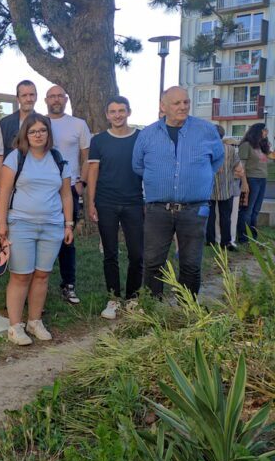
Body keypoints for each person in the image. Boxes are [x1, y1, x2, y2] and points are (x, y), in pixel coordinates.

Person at [133, 86, 224, 297]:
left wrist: (198, 177)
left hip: (194, 210)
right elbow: (138, 165)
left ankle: (187, 313)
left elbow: (217, 159)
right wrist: (159, 177)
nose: (183, 107)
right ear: (163, 106)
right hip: (158, 210)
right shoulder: (147, 134)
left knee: (191, 263)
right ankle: (152, 311)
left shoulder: (206, 131)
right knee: (153, 262)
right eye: (177, 103)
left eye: (186, 102)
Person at [0, 113, 74, 345]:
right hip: (21, 224)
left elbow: (67, 195)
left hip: (52, 226)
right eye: (33, 131)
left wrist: (68, 224)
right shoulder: (15, 158)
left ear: (48, 134)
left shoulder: (59, 160)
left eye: (42, 130)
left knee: (42, 275)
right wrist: (1, 223)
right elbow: (4, 192)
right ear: (25, 135)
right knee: (21, 275)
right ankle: (15, 326)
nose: (38, 135)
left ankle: (35, 321)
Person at [86, 97, 143, 320]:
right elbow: (93, 173)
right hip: (106, 202)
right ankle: (113, 298)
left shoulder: (140, 138)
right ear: (107, 115)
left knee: (137, 254)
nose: (117, 115)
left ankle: (133, 297)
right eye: (113, 111)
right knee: (110, 253)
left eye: (121, 110)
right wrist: (90, 202)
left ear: (129, 112)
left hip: (134, 202)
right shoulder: (99, 141)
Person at [45, 85, 91, 305]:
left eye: (60, 96)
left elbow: (87, 157)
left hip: (69, 188)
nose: (56, 100)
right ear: (46, 100)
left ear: (66, 99)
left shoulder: (78, 124)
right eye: (52, 96)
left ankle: (68, 284)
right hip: (44, 188)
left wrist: (81, 182)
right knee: (41, 235)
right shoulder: (39, 123)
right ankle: (38, 284)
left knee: (67, 238)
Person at [207, 125, 247, 250]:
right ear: (222, 135)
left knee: (210, 216)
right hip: (227, 188)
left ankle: (210, 241)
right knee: (226, 217)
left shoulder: (206, 149)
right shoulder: (230, 149)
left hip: (209, 188)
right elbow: (239, 170)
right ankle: (226, 242)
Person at [0, 79, 38, 181]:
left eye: (32, 95)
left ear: (36, 96)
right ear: (18, 99)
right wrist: (1, 186)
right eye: (24, 95)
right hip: (13, 183)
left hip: (39, 182)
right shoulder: (4, 124)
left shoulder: (46, 123)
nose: (29, 99)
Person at [236, 123, 270, 243]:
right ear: (258, 131)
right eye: (265, 130)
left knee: (256, 210)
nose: (267, 132)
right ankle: (243, 238)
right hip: (251, 180)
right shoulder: (246, 145)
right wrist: (244, 183)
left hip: (262, 179)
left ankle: (253, 238)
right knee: (247, 210)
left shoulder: (261, 146)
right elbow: (241, 167)